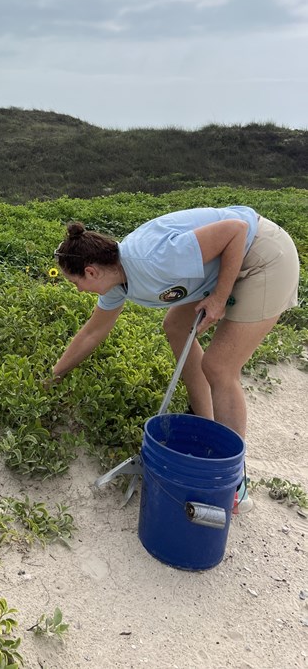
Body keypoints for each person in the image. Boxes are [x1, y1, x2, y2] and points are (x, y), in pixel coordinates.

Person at [50, 206, 300, 513]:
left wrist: (219, 298)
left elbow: (236, 230)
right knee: (176, 325)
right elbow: (92, 333)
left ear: (91, 271)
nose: (79, 289)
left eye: (76, 283)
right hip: (225, 260)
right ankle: (208, 426)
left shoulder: (153, 260)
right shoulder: (116, 279)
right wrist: (54, 375)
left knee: (220, 367)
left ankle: (235, 483)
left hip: (264, 257)